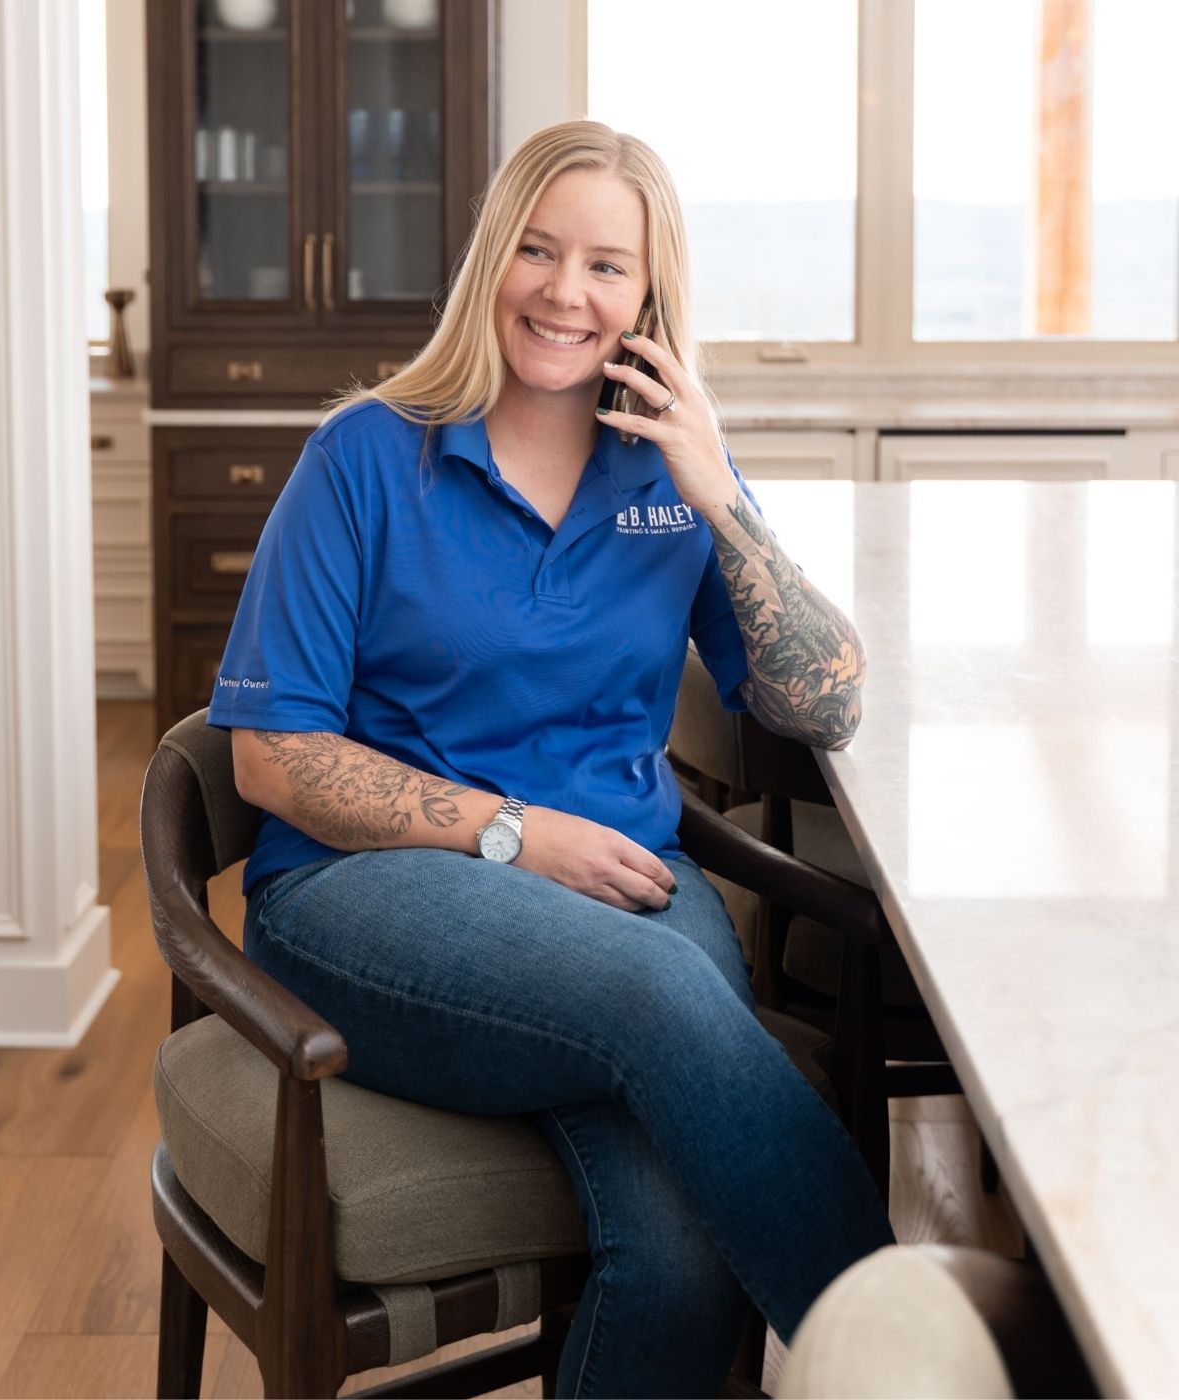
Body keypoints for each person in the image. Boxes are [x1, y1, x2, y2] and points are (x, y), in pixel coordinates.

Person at [208, 119, 893, 1399]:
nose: (565, 292)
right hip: (367, 896)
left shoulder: (668, 476)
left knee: (686, 1252)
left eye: (607, 266)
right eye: (536, 248)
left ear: (649, 300)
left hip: (619, 890)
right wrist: (510, 831)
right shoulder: (363, 457)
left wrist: (717, 488)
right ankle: (909, 1353)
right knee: (673, 994)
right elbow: (271, 757)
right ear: (490, 261)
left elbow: (828, 699)